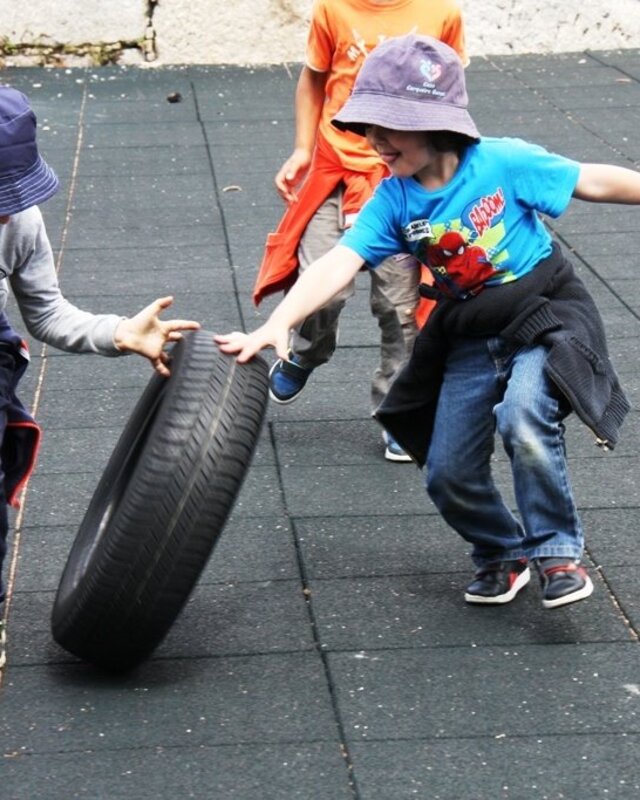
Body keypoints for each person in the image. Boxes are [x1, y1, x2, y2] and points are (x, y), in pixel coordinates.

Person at [217, 34, 639, 610]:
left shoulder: (503, 162)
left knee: (523, 418)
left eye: (389, 127)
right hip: (470, 334)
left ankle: (556, 552)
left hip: (541, 316)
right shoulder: (394, 201)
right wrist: (279, 323)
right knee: (445, 471)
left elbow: (591, 179)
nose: (375, 141)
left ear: (436, 124)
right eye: (367, 127)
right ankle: (501, 551)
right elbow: (340, 261)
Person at [0, 85, 201, 668]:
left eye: (14, 193)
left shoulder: (18, 222)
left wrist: (119, 332)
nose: (8, 211)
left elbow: (46, 313)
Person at [253, 0, 467, 462]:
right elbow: (313, 78)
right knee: (322, 287)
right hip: (338, 169)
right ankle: (305, 352)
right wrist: (302, 149)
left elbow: (451, 98)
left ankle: (397, 410)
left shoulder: (441, 12)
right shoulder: (333, 8)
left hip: (402, 176)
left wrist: (451, 173)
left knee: (400, 306)